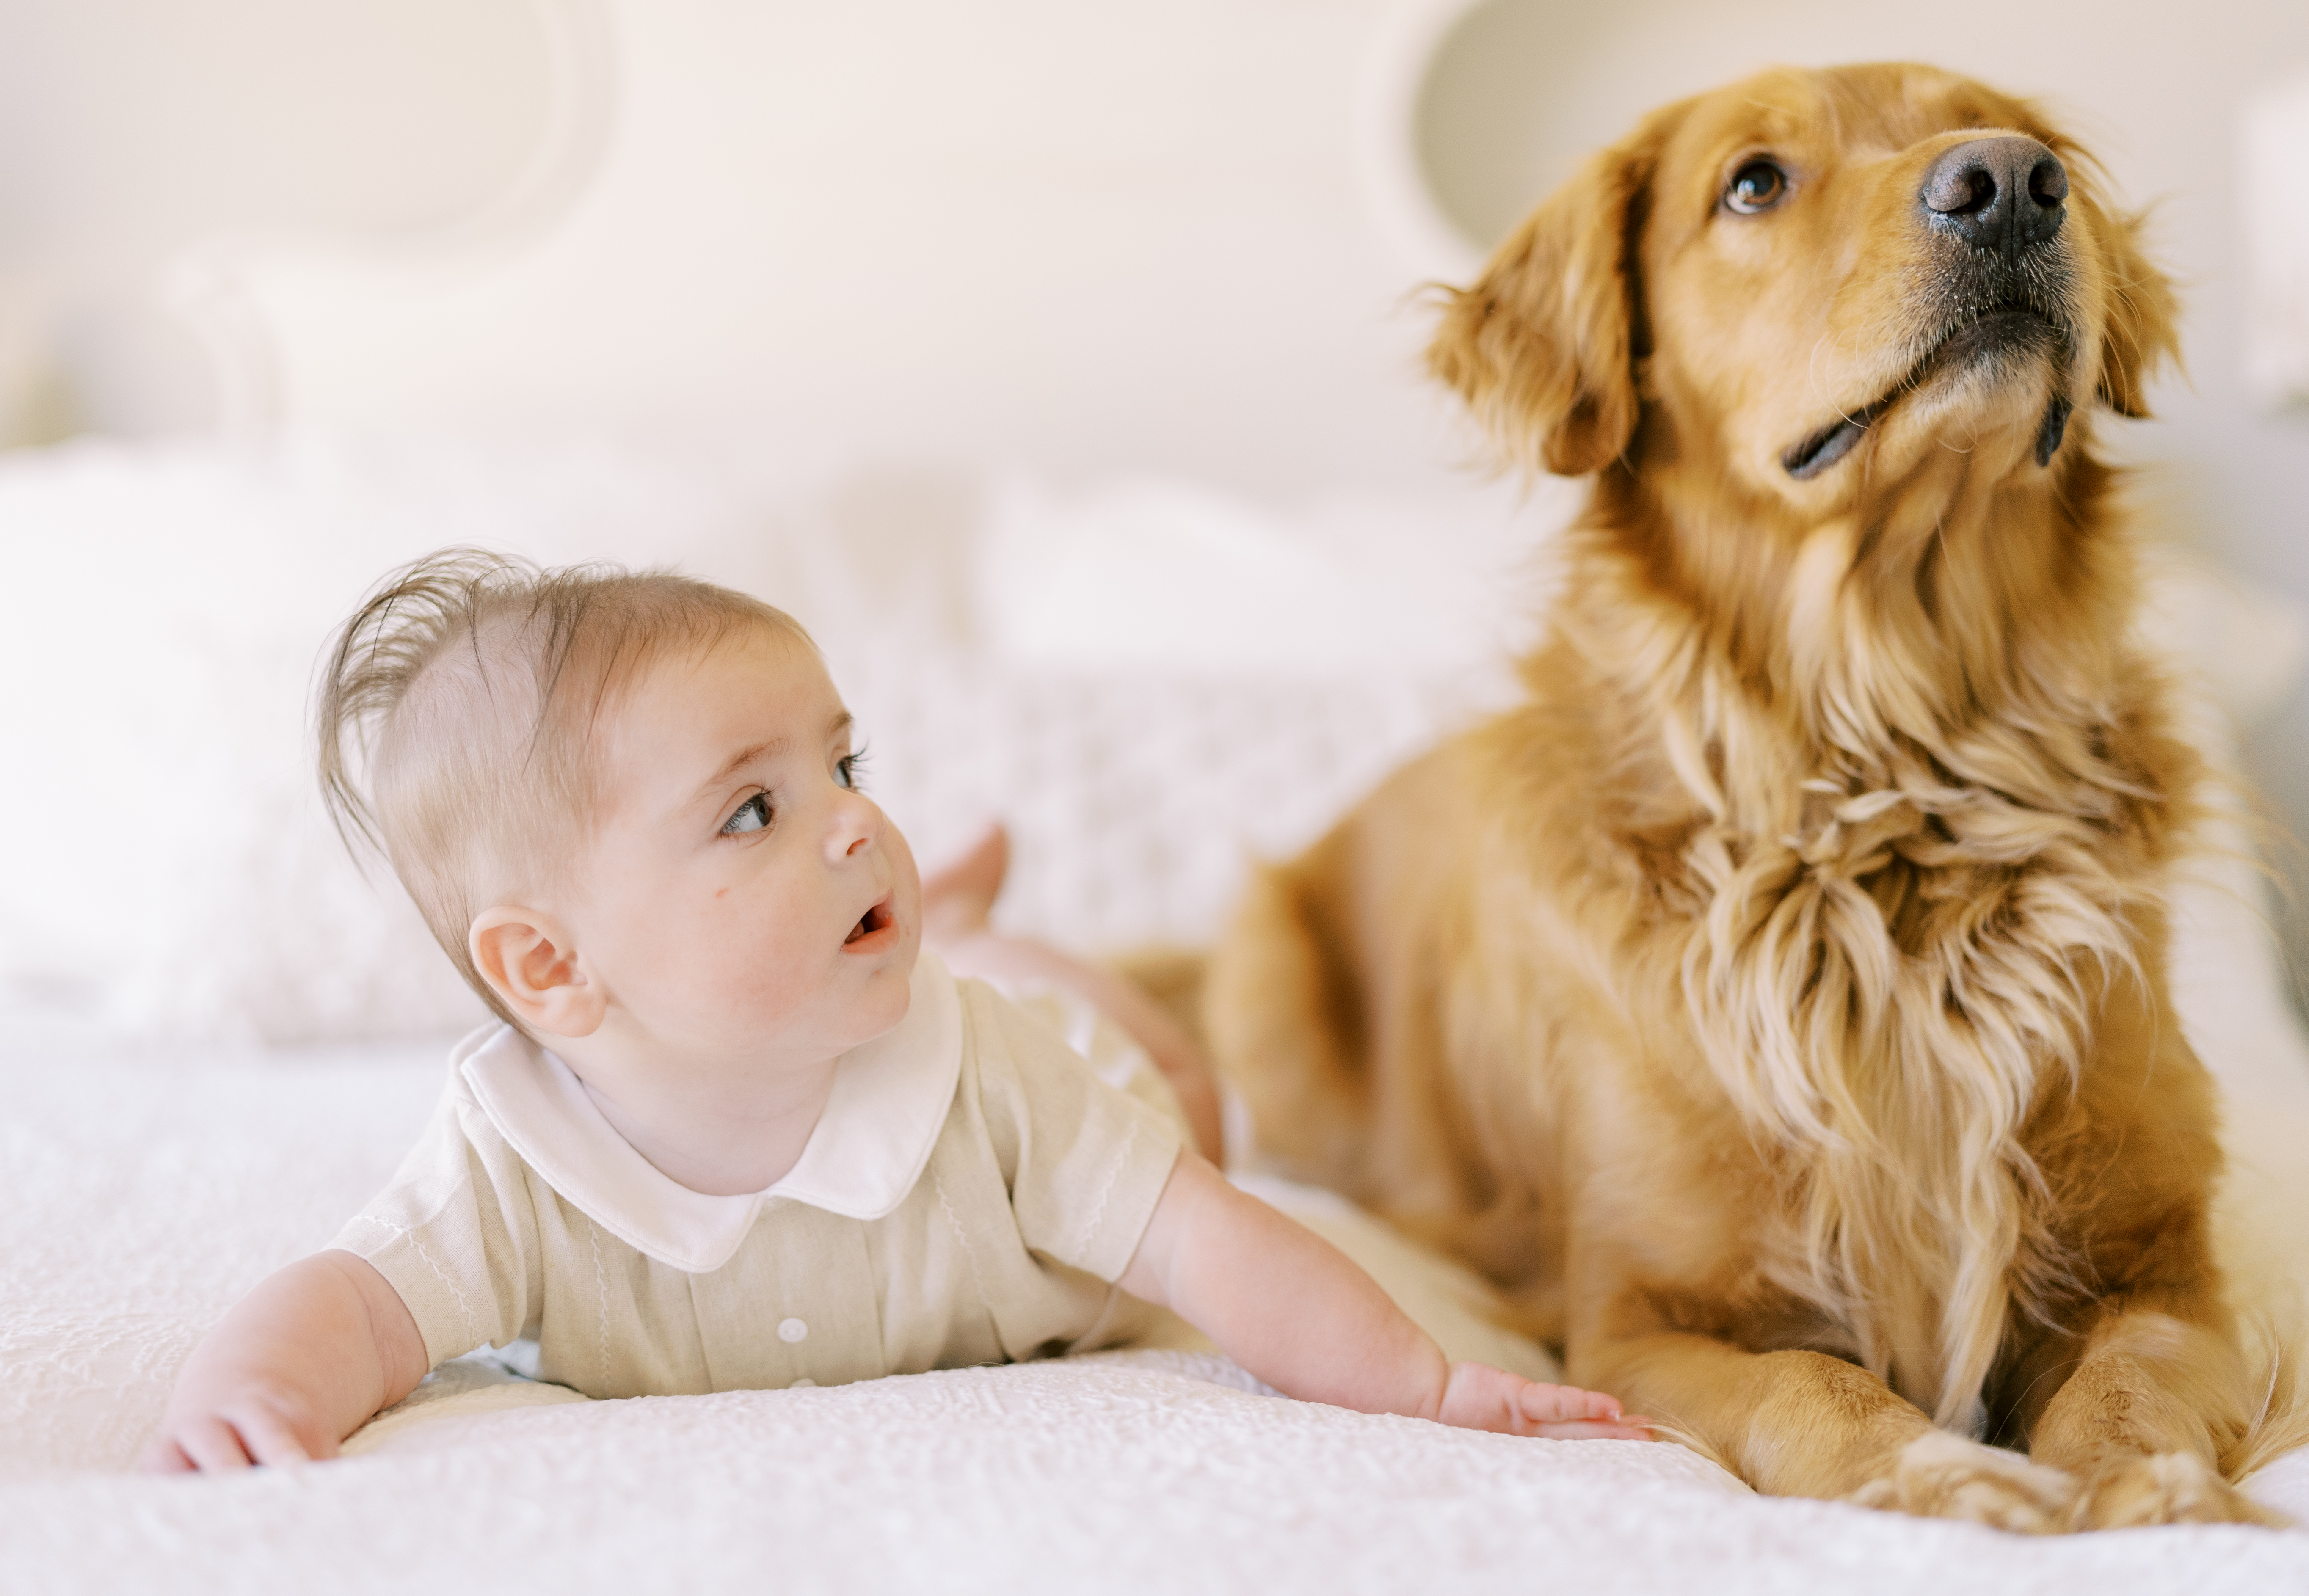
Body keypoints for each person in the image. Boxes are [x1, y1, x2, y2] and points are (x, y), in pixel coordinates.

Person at [139, 550, 1646, 1471]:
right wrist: (253, 1394)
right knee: (983, 977)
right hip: (919, 1006)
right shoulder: (515, 1164)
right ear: (551, 971)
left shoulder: (983, 1074)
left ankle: (994, 932)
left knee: (1183, 1097)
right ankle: (986, 923)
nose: (858, 825)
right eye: (751, 812)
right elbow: (353, 1303)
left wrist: (1428, 1379)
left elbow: (1210, 1237)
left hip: (1071, 1069)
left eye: (843, 773)